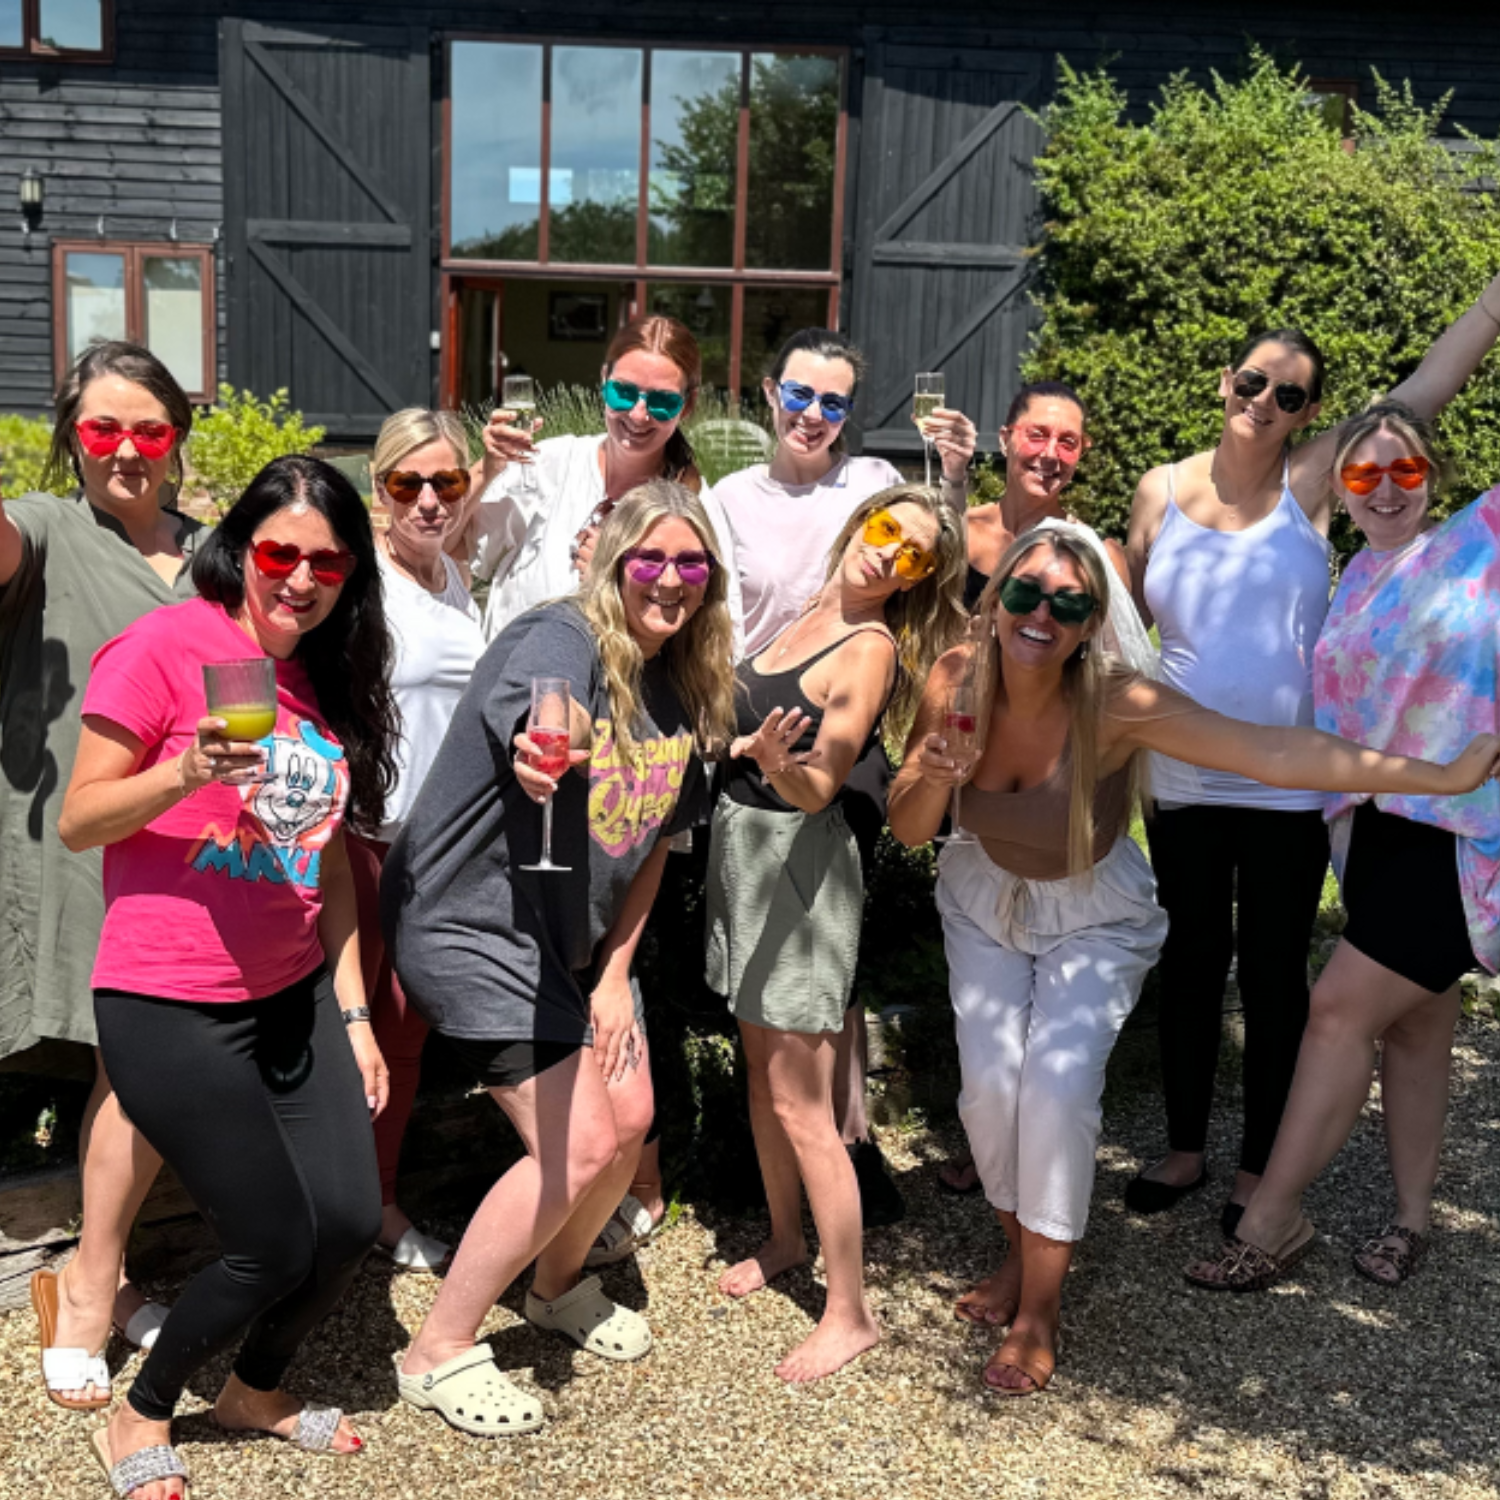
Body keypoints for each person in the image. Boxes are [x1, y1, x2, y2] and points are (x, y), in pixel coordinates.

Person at [887, 523, 1499, 1396]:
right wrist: (937, 776)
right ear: (994, 599)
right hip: (982, 902)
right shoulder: (956, 677)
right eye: (1024, 591)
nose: (1041, 614)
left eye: (1070, 602)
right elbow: (909, 827)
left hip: (1091, 912)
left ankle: (1041, 1307)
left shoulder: (1117, 700)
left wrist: (1435, 776)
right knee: (989, 1091)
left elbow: (1274, 751)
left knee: (1055, 1090)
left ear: (1095, 620)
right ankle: (1018, 1254)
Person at [1124, 274, 1500, 1236]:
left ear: (1311, 414)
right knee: (1194, 960)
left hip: (1294, 785)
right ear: (1225, 381)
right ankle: (1183, 1147)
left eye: (1290, 395)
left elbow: (1420, 396)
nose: (1266, 404)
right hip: (1183, 778)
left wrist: (1492, 304)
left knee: (1278, 974)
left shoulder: (1317, 479)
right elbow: (1119, 631)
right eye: (1254, 383)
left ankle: (1259, 1170)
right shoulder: (1158, 490)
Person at [59, 455, 399, 1497]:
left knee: (345, 1221)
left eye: (328, 561)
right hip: (171, 995)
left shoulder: (324, 674)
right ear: (240, 545)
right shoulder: (163, 648)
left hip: (293, 990)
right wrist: (186, 770)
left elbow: (333, 863)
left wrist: (354, 1012)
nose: (300, 577)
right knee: (270, 1241)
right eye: (278, 551)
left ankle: (253, 1388)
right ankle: (142, 1409)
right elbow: (79, 820)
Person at [381, 482, 735, 1438]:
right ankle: (439, 1349)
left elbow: (656, 845)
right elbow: (547, 718)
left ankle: (554, 1283)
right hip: (471, 923)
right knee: (577, 1144)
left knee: (630, 1121)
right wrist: (557, 745)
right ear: (610, 562)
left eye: (690, 563)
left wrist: (614, 975)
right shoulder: (561, 638)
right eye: (648, 560)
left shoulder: (686, 687)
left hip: (570, 946)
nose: (668, 579)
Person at [1184, 401, 1500, 1293]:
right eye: (1364, 475)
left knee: (1336, 1008)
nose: (1387, 489)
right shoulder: (1353, 572)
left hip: (1459, 826)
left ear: (1433, 473)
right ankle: (1411, 1220)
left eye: (1405, 470)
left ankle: (1273, 1217)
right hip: (1372, 828)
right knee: (1417, 1027)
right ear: (1344, 489)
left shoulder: (1483, 536)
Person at [705, 327, 977, 1228]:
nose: (815, 414)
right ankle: (799, 1193)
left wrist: (958, 472)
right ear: (769, 394)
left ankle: (847, 1155)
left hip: (827, 744)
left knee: (824, 981)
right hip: (758, 725)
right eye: (801, 395)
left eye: (835, 402)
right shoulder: (728, 496)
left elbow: (937, 546)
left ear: (853, 416)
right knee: (777, 999)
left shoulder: (868, 487)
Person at [706, 483, 968, 1382]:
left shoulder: (869, 648)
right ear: (861, 523)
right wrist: (741, 749)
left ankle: (850, 1310)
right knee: (761, 1078)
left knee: (804, 1107)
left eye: (916, 553)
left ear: (920, 579)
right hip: (747, 859)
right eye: (887, 529)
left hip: (799, 873)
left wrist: (781, 766)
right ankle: (786, 1238)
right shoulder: (803, 616)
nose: (892, 553)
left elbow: (823, 782)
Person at [3, 342, 202, 1411]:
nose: (127, 451)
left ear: (177, 437)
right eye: (101, 430)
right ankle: (89, 1288)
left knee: (143, 1064)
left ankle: (103, 1273)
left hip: (191, 844)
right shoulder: (42, 525)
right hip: (82, 837)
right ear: (71, 438)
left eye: (149, 430)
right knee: (128, 1059)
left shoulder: (210, 548)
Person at [943, 380, 1132, 1195]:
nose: (1050, 454)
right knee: (986, 1027)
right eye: (1037, 436)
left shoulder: (1098, 557)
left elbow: (1119, 672)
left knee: (1041, 1058)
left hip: (1056, 802)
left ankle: (1021, 1163)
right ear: (1006, 436)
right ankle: (988, 1144)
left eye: (1069, 442)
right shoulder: (966, 534)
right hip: (964, 780)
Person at [344, 409, 485, 1274]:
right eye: (409, 484)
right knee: (349, 1030)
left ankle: (379, 1202)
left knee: (403, 1033)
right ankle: (338, 1206)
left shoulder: (456, 582)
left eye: (448, 483)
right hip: (361, 838)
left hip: (435, 848)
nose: (429, 501)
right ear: (379, 488)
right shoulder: (362, 585)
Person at [467, 314, 741, 642]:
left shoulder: (696, 508)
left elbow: (722, 638)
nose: (639, 414)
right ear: (603, 381)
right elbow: (461, 550)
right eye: (623, 393)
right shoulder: (550, 464)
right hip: (513, 684)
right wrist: (486, 469)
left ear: (688, 404)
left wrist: (615, 574)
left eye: (663, 402)